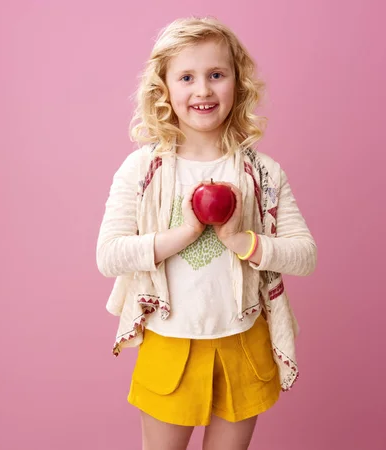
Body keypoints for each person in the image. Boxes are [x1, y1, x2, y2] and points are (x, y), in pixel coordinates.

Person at [96, 16, 317, 450]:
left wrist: (242, 241)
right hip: (171, 345)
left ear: (237, 82)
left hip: (242, 342)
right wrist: (184, 232)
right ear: (164, 88)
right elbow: (109, 255)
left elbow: (304, 255)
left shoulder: (263, 174)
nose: (203, 90)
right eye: (187, 77)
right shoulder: (142, 170)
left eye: (217, 74)